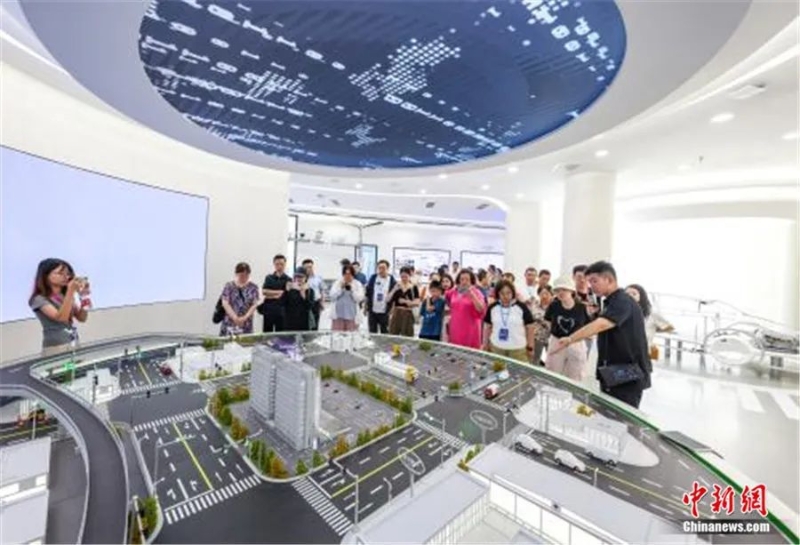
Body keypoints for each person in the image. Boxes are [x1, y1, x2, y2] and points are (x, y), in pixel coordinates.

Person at [551, 261, 651, 408]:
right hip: (614, 371)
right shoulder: (610, 302)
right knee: (609, 411)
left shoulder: (622, 300)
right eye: (589, 282)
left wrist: (570, 339)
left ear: (608, 279)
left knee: (621, 414)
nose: (590, 285)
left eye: (594, 281)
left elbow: (601, 324)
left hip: (627, 373)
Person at [29, 258, 90, 356]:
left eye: (68, 274)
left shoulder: (64, 296)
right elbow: (61, 318)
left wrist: (84, 297)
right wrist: (70, 291)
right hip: (56, 347)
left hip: (73, 342)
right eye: (60, 273)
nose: (66, 277)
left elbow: (82, 318)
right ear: (46, 276)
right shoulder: (38, 299)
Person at [544, 275, 591, 381]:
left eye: (564, 289)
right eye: (557, 290)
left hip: (576, 342)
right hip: (557, 341)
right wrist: (554, 334)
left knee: (576, 375)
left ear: (571, 291)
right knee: (552, 373)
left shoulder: (581, 307)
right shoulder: (553, 305)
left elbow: (587, 326)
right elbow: (547, 321)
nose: (561, 293)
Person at [482, 280, 535, 362]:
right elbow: (487, 326)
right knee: (497, 370)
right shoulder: (492, 307)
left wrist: (530, 347)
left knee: (518, 370)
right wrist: (485, 344)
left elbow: (530, 327)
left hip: (518, 350)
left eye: (508, 293)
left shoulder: (521, 307)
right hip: (497, 348)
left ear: (513, 293)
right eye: (502, 293)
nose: (505, 296)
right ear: (498, 294)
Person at [626, 284, 674, 358]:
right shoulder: (619, 313)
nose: (630, 296)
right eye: (627, 294)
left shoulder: (651, 315)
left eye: (634, 294)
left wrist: (653, 329)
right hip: (622, 355)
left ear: (641, 297)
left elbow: (669, 327)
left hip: (643, 355)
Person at [445, 269, 486, 349]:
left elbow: (481, 309)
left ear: (471, 281)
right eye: (462, 279)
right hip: (455, 327)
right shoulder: (454, 291)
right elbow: (446, 298)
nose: (464, 282)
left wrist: (472, 296)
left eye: (467, 279)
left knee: (469, 351)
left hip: (470, 328)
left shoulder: (477, 292)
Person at [220, 262, 261, 336]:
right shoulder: (229, 286)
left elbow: (254, 304)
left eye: (246, 275)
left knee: (245, 341)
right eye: (241, 275)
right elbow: (225, 303)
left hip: (246, 323)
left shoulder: (253, 287)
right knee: (228, 342)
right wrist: (235, 318)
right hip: (230, 321)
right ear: (236, 274)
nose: (244, 277)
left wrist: (244, 318)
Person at [260, 254, 291, 332]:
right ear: (274, 264)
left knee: (280, 335)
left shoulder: (289, 279)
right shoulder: (269, 277)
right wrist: (279, 292)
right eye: (277, 264)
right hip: (268, 310)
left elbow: (287, 295)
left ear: (285, 264)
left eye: (282, 264)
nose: (279, 266)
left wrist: (271, 294)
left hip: (282, 311)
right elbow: (264, 291)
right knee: (267, 334)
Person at [329, 264, 364, 331]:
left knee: (351, 335)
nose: (347, 276)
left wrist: (352, 290)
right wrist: (340, 288)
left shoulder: (357, 284)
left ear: (353, 274)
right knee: (337, 335)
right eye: (345, 274)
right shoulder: (337, 283)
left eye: (349, 274)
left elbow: (359, 299)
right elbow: (332, 296)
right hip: (338, 316)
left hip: (352, 316)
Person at [364, 260, 396, 333]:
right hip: (373, 310)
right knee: (372, 331)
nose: (381, 270)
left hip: (385, 311)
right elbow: (368, 293)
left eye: (383, 268)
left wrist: (392, 309)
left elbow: (394, 297)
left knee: (385, 331)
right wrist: (365, 306)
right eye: (379, 268)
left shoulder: (392, 280)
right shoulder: (373, 277)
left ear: (387, 269)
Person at [388, 267, 420, 337]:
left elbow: (417, 302)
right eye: (402, 276)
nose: (404, 279)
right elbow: (388, 299)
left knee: (407, 335)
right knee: (393, 333)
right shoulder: (397, 285)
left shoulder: (413, 287)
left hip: (408, 312)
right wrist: (394, 289)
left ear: (409, 276)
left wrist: (406, 301)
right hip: (397, 312)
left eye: (406, 276)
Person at [281, 267, 316, 331]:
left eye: (301, 277)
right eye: (297, 276)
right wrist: (286, 291)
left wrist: (304, 295)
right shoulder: (290, 289)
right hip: (289, 323)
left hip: (304, 323)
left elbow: (310, 306)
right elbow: (282, 303)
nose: (299, 279)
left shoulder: (310, 291)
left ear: (306, 278)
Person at [530, 286, 553, 365]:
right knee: (534, 360)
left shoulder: (555, 307)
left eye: (547, 294)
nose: (544, 296)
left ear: (551, 295)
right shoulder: (534, 305)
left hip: (551, 338)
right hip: (537, 337)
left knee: (552, 361)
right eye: (542, 294)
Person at [303, 258, 325, 331]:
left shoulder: (318, 278)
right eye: (306, 267)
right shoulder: (302, 278)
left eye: (310, 267)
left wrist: (322, 302)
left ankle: (314, 336)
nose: (308, 269)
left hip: (316, 303)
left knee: (315, 322)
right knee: (306, 322)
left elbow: (322, 290)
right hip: (305, 303)